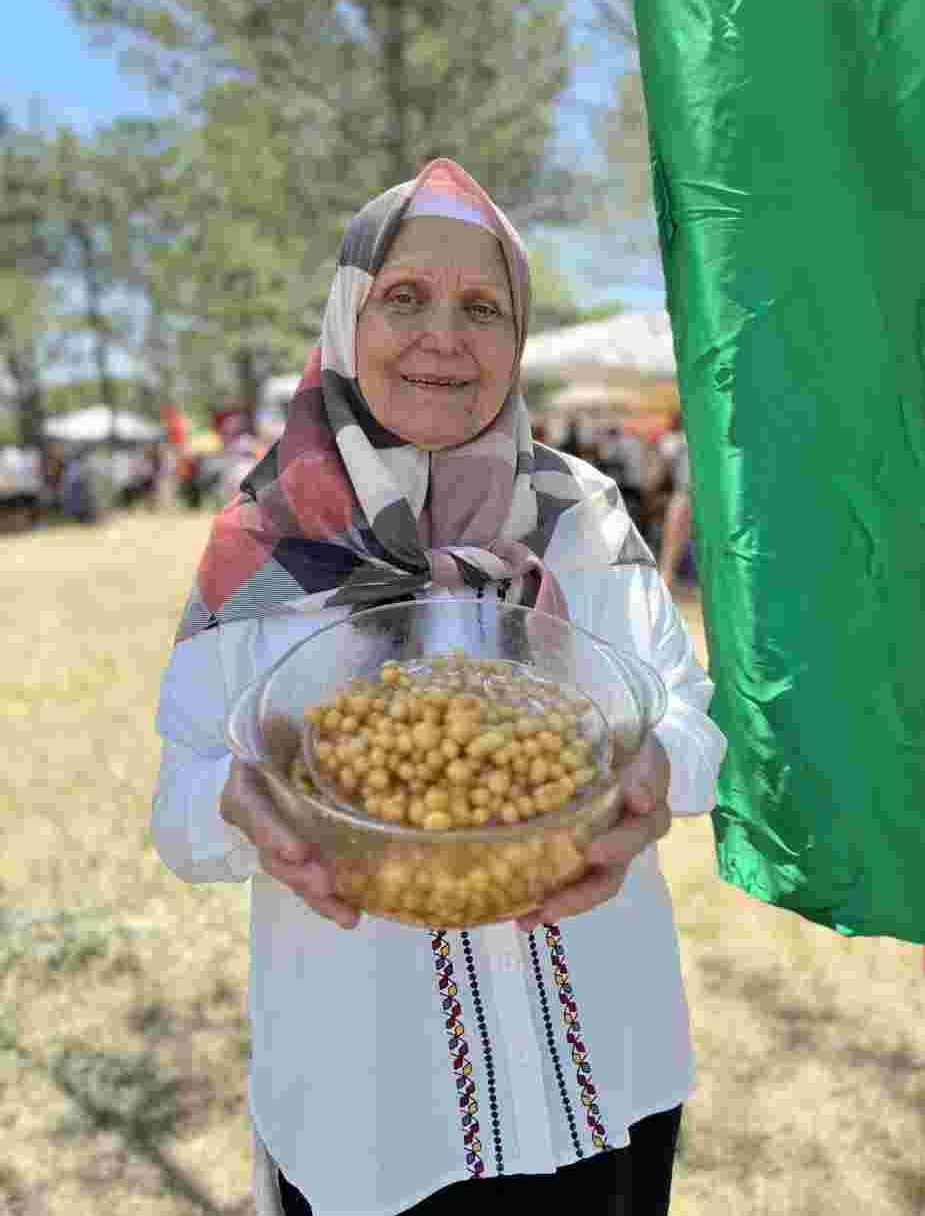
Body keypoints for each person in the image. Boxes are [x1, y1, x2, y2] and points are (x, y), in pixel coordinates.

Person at [152, 159, 726, 1216]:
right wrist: (236, 802)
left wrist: (657, 771)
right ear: (347, 317)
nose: (443, 337)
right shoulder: (261, 541)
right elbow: (179, 811)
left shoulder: (585, 511)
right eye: (404, 297)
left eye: (483, 307)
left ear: (518, 334)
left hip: (606, 1067)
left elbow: (688, 715)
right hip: (378, 1107)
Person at [657, 417, 692, 596]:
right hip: (683, 493)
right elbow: (663, 465)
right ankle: (665, 583)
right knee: (671, 545)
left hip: (706, 497)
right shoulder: (674, 439)